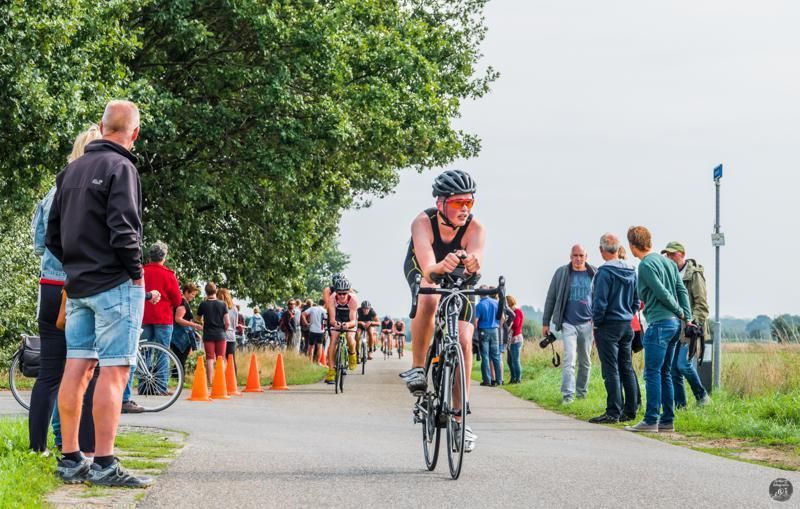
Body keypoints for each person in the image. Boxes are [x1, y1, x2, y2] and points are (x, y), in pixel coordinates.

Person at [45, 100, 152, 487]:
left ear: (101, 126)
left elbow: (51, 235)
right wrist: (136, 274)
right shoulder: (122, 167)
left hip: (78, 286)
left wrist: (76, 263)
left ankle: (71, 458)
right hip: (114, 284)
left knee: (77, 367)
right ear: (133, 133)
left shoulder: (70, 171)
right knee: (115, 370)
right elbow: (124, 230)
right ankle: (105, 463)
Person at [29, 124, 102, 455]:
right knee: (85, 369)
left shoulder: (51, 192)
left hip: (48, 285)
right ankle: (78, 445)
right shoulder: (91, 191)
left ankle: (38, 447)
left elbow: (38, 242)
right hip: (78, 288)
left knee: (49, 374)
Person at [400, 169, 484, 453]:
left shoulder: (476, 229)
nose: (464, 209)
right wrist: (441, 265)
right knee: (430, 297)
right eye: (458, 202)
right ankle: (418, 368)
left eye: (469, 203)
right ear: (440, 204)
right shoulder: (422, 223)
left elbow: (478, 260)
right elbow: (428, 268)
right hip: (424, 268)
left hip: (460, 277)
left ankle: (461, 418)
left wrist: (472, 264)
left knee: (462, 338)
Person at [624, 226, 692, 433]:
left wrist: (680, 311)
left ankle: (651, 419)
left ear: (632, 245)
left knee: (652, 373)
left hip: (660, 323)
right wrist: (686, 316)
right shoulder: (668, 263)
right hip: (674, 325)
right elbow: (681, 289)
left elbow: (661, 292)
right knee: (665, 373)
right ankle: (667, 420)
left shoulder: (645, 265)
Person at [123, 241, 182, 408]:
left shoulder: (142, 272)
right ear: (164, 256)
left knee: (143, 351)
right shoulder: (169, 275)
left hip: (144, 316)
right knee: (163, 351)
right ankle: (160, 386)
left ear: (150, 255)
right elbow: (177, 300)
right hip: (163, 318)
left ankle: (143, 386)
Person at [589, 233, 640, 424]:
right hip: (627, 324)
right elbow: (636, 300)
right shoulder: (631, 270)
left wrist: (597, 322)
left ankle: (613, 412)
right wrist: (627, 313)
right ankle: (631, 410)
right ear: (618, 249)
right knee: (626, 367)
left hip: (608, 324)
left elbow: (599, 302)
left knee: (611, 369)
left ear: (602, 250)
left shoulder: (604, 273)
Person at [542, 245, 597, 404]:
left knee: (585, 362)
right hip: (568, 323)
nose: (578, 259)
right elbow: (551, 297)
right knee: (569, 359)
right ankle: (568, 396)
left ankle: (581, 394)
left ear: (586, 256)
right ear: (570, 256)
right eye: (575, 255)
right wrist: (546, 322)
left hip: (588, 323)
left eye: (581, 255)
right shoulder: (562, 273)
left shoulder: (594, 273)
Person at [662, 241, 712, 407]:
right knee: (673, 370)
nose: (669, 257)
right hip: (674, 327)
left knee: (683, 365)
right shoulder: (668, 274)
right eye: (667, 255)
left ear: (682, 254)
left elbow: (702, 305)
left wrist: (693, 323)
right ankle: (680, 406)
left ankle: (702, 396)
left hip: (691, 329)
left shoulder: (694, 275)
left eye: (672, 254)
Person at [325, 276, 358, 383]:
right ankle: (331, 371)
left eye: (344, 293)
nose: (342, 296)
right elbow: (332, 319)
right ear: (336, 292)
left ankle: (352, 354)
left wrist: (347, 325)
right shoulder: (332, 298)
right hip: (337, 316)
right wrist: (336, 323)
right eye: (339, 293)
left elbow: (353, 320)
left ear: (348, 292)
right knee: (333, 340)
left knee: (350, 338)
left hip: (349, 318)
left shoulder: (353, 299)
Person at [197, 283, 230, 384]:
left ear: (206, 292)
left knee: (210, 358)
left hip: (208, 334)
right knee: (221, 357)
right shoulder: (223, 304)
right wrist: (224, 329)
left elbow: (198, 318)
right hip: (220, 334)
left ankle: (210, 382)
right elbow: (227, 322)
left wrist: (203, 323)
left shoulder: (203, 304)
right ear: (216, 291)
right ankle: (221, 381)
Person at [172, 283, 202, 374]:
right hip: (180, 335)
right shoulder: (182, 303)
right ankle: (179, 378)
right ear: (186, 292)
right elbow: (178, 319)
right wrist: (194, 325)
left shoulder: (183, 302)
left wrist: (195, 331)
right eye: (192, 294)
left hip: (183, 333)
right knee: (181, 358)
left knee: (180, 359)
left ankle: (177, 378)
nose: (193, 296)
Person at [475, 292, 501, 386]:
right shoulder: (496, 303)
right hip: (495, 330)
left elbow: (476, 321)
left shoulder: (479, 305)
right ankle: (499, 380)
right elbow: (502, 317)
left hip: (483, 331)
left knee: (485, 356)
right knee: (496, 355)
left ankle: (487, 380)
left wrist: (475, 333)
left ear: (480, 294)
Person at [218, 288, 238, 374]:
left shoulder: (218, 307)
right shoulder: (234, 308)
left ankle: (221, 380)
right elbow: (235, 324)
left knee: (220, 359)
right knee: (231, 359)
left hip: (220, 334)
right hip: (231, 335)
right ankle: (233, 380)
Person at [506, 296, 524, 384]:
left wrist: (508, 327)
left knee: (515, 360)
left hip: (516, 339)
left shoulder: (517, 311)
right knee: (509, 360)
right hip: (511, 339)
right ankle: (513, 378)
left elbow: (516, 325)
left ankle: (518, 379)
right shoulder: (511, 312)